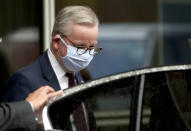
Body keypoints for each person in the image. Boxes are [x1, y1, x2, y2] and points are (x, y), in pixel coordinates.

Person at [2, 5, 101, 130]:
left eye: (92, 47)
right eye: (80, 47)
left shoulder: (77, 76)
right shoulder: (24, 81)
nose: (86, 54)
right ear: (56, 42)